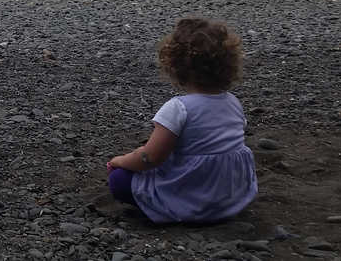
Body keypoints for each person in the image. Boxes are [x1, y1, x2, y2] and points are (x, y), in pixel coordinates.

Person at [106, 17, 257, 223]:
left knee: (118, 179)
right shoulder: (233, 102)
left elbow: (150, 157)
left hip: (194, 194)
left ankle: (172, 205)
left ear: (175, 66)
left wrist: (120, 161)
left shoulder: (178, 108)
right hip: (230, 197)